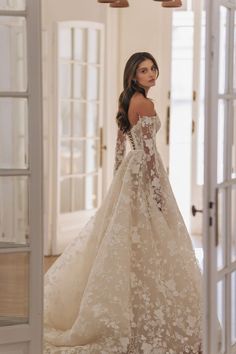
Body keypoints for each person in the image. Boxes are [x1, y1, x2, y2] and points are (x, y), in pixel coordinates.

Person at [44, 52, 203, 354]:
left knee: (125, 239)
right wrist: (157, 191)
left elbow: (121, 148)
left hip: (131, 172)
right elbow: (150, 152)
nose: (151, 73)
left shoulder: (125, 102)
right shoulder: (146, 104)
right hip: (145, 171)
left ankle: (130, 308)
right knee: (150, 237)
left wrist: (119, 179)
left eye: (153, 68)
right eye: (144, 70)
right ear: (133, 76)